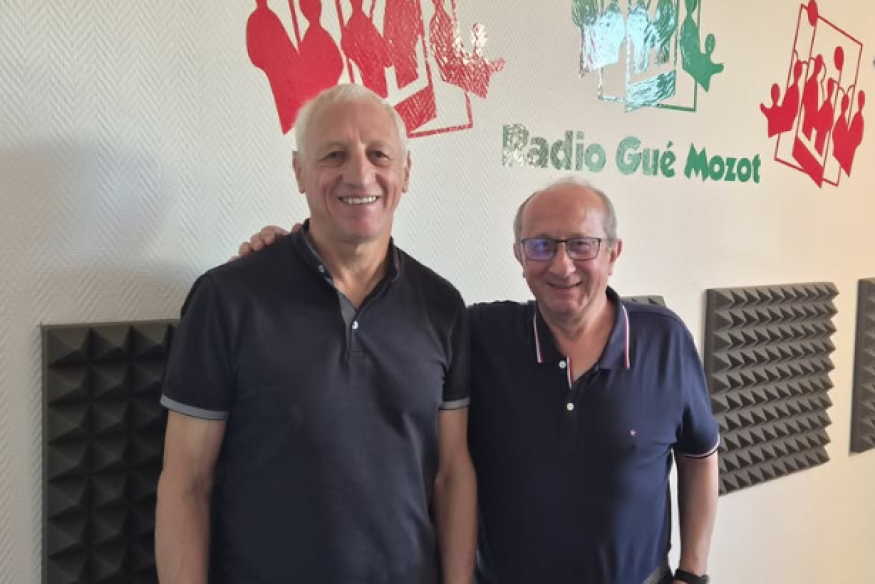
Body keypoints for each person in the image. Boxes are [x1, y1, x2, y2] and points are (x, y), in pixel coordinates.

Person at [238, 178, 719, 584]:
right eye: (541, 245)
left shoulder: (665, 339)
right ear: (519, 256)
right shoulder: (482, 334)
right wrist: (305, 259)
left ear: (613, 253)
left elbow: (699, 454)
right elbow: (382, 319)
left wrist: (693, 573)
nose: (561, 265)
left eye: (581, 245)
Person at [155, 83, 477, 584]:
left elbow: (451, 475)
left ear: (406, 172)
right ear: (299, 171)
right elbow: (185, 484)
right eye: (334, 155)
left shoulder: (443, 306)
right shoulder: (227, 299)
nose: (360, 174)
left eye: (379, 154)